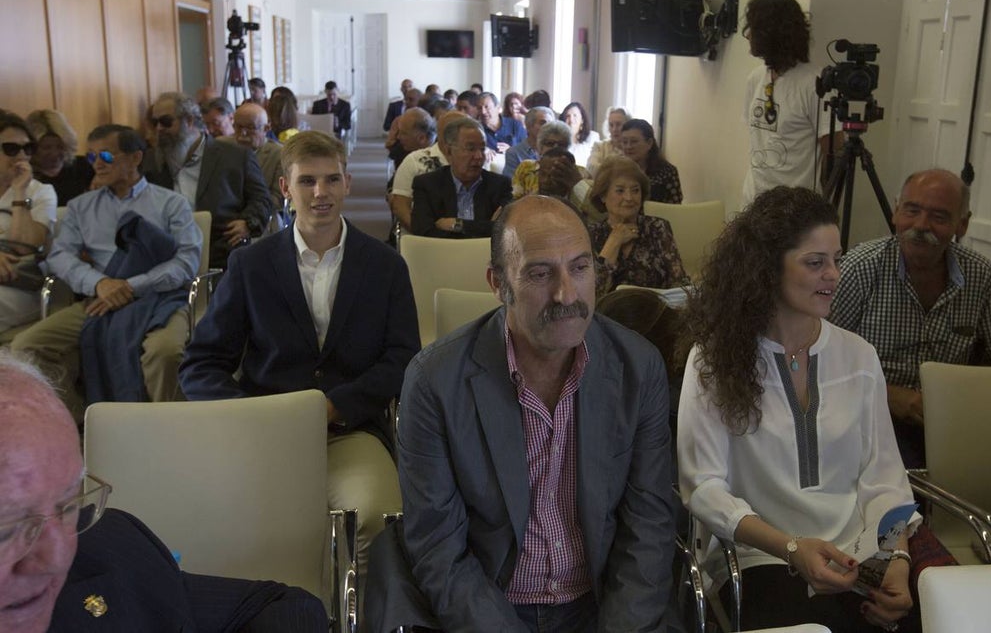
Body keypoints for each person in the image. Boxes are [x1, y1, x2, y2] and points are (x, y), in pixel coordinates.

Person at [390, 195, 675, 631]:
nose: (566, 294)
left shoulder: (638, 367)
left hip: (602, 604)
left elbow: (649, 528)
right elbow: (439, 550)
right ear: (497, 283)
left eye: (580, 268)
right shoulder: (434, 382)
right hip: (486, 607)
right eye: (540, 274)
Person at [677, 186, 919, 632]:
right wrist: (791, 548)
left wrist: (896, 560)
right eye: (815, 262)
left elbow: (884, 477)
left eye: (836, 259)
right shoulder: (714, 358)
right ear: (767, 269)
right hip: (758, 557)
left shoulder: (858, 356)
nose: (833, 275)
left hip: (858, 553)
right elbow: (703, 487)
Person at [180, 131, 419, 573]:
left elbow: (404, 357)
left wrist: (336, 406)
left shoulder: (386, 265)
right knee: (231, 520)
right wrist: (252, 414)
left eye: (331, 179)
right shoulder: (250, 264)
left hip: (350, 431)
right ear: (286, 188)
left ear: (348, 182)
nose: (321, 192)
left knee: (377, 517)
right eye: (307, 181)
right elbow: (201, 363)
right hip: (263, 431)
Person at [0, 351, 328, 633]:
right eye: (11, 525)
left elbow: (279, 605)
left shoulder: (108, 549)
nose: (57, 557)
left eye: (67, 504)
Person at [829, 169, 991, 468]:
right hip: (867, 412)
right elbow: (819, 355)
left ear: (963, 224)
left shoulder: (983, 278)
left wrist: (961, 400)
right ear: (895, 211)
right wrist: (888, 395)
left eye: (939, 217)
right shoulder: (859, 268)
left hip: (951, 419)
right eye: (912, 210)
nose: (920, 225)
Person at [11, 125, 200, 418]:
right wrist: (100, 284)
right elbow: (59, 256)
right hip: (99, 299)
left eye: (107, 156)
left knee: (165, 352)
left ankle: (171, 429)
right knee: (28, 347)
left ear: (136, 158)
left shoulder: (171, 203)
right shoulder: (80, 207)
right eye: (91, 157)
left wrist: (130, 286)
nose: (98, 164)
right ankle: (85, 423)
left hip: (159, 298)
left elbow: (187, 261)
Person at [142, 92, 274, 268]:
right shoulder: (150, 160)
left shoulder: (235, 156)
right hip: (166, 251)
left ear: (189, 121)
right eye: (154, 122)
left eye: (166, 122)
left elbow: (262, 199)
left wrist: (248, 223)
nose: (159, 129)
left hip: (220, 250)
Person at [740, 0, 827, 203]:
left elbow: (834, 153)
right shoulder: (755, 78)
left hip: (795, 213)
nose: (748, 35)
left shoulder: (815, 83)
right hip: (753, 204)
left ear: (772, 33)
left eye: (754, 28)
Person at [589, 157, 687, 296]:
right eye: (620, 190)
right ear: (603, 196)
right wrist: (614, 242)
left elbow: (679, 282)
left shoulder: (657, 227)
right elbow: (592, 293)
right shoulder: (592, 233)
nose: (629, 197)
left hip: (656, 312)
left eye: (635, 190)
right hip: (609, 314)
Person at [0, 114, 57, 333]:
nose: (22, 156)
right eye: (12, 149)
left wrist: (19, 191)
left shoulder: (41, 192)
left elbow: (24, 247)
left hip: (19, 285)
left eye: (28, 148)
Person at [410, 117, 511, 239]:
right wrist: (482, 229)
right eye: (471, 149)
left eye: (483, 149)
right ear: (449, 152)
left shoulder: (500, 185)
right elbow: (423, 231)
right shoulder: (427, 184)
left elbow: (504, 230)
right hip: (441, 255)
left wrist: (458, 225)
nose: (479, 156)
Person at [389, 109, 446, 234]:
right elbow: (397, 203)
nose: (399, 137)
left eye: (403, 133)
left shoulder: (446, 157)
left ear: (421, 138)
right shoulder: (404, 153)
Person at [25, 108, 94, 206]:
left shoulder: (83, 166)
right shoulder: (24, 176)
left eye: (60, 147)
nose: (54, 153)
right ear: (31, 148)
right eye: (46, 148)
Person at [619, 119, 682, 204]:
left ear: (649, 143)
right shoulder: (618, 170)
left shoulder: (667, 172)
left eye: (634, 141)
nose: (628, 146)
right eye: (624, 142)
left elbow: (674, 208)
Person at [510, 120, 577, 198]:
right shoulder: (526, 167)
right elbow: (515, 199)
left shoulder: (578, 173)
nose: (556, 148)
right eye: (550, 143)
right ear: (540, 147)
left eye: (561, 145)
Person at [503, 106, 554, 176]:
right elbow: (509, 183)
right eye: (543, 123)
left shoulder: (556, 152)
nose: (548, 128)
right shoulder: (514, 153)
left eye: (550, 124)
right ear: (529, 126)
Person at [586, 106, 628, 176]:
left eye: (618, 124)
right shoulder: (599, 146)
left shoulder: (632, 149)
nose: (614, 129)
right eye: (611, 125)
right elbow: (591, 167)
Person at [560, 102, 600, 168]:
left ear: (582, 120)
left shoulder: (592, 138)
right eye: (568, 116)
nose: (571, 120)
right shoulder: (559, 141)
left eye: (575, 115)